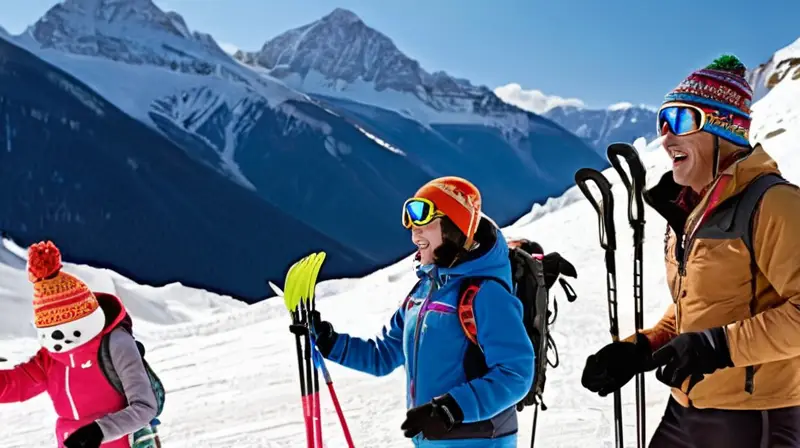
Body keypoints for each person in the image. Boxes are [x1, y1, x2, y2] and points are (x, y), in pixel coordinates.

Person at [580, 54, 800, 447]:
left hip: (754, 419)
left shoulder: (776, 203)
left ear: (724, 129)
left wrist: (717, 346)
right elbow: (701, 303)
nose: (665, 137)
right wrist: (641, 347)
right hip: (685, 408)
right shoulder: (693, 210)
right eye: (661, 121)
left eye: (681, 120)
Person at [311, 176, 534, 447]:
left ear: (454, 228)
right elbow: (383, 355)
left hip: (479, 440)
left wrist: (451, 409)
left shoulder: (486, 294)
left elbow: (516, 373)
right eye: (413, 227)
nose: (415, 235)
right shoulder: (422, 293)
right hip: (432, 441)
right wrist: (331, 343)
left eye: (425, 226)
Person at [0, 241, 158, 448]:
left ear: (85, 318)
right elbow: (17, 384)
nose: (61, 342)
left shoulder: (116, 344)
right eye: (51, 331)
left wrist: (99, 431)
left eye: (67, 327)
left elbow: (145, 407)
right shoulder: (50, 358)